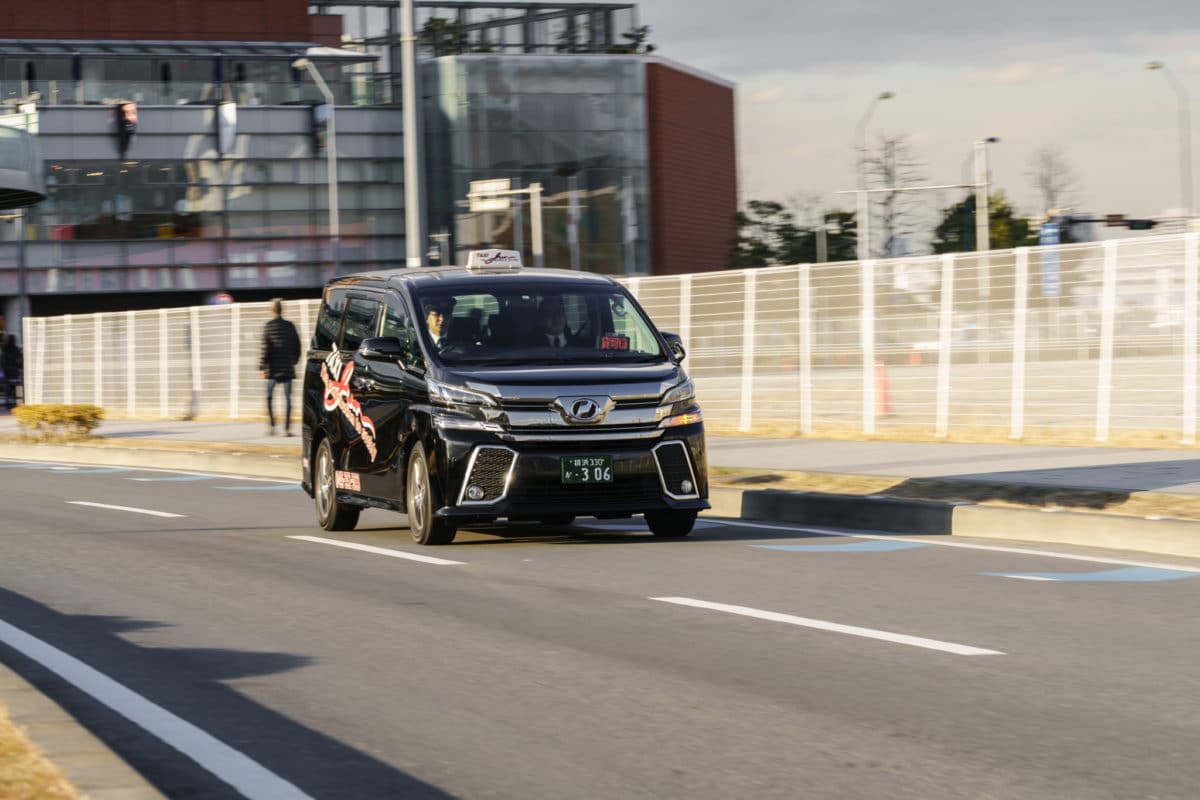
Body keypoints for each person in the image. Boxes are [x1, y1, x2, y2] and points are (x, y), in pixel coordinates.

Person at [258, 298, 302, 436]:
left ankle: (272, 426)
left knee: (269, 397)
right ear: (282, 310)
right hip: (287, 367)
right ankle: (287, 429)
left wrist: (262, 367)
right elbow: (297, 345)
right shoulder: (290, 326)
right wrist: (294, 360)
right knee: (288, 399)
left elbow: (265, 349)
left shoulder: (268, 326)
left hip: (272, 369)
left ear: (271, 310)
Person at [0, 334, 21, 409]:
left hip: (7, 372)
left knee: (8, 389)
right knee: (13, 388)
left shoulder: (4, 349)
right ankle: (13, 403)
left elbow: (2, 361)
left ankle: (8, 403)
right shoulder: (16, 350)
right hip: (14, 372)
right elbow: (19, 361)